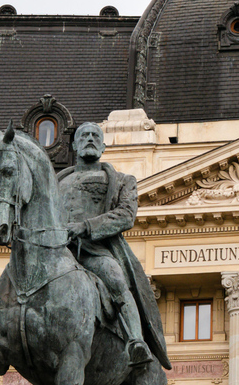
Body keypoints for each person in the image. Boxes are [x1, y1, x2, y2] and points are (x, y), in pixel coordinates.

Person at [57, 122, 170, 369]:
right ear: (74, 145)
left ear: (103, 146)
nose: (89, 138)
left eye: (95, 136)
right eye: (83, 135)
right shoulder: (57, 181)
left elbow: (126, 215)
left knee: (116, 278)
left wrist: (86, 226)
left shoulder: (121, 181)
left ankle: (135, 341)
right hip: (56, 251)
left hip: (94, 250)